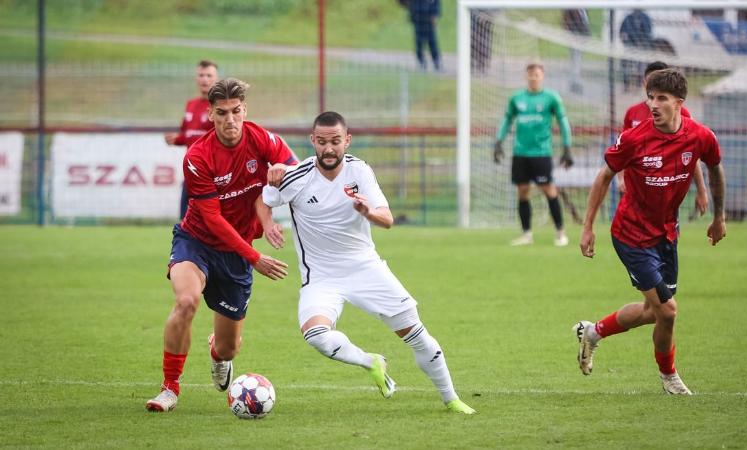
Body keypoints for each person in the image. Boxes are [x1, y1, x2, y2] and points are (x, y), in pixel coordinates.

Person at [257, 111, 476, 414]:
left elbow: (387, 219)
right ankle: (370, 361)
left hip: (365, 269)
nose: (329, 148)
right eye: (322, 142)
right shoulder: (294, 176)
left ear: (347, 140)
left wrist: (367, 212)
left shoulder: (360, 172)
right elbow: (264, 199)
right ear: (312, 142)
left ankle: (451, 398)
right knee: (316, 336)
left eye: (335, 141)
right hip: (321, 277)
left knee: (416, 334)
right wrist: (267, 223)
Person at [146, 78, 299, 412]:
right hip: (197, 241)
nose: (230, 119)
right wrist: (255, 256)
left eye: (236, 111)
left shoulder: (263, 139)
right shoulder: (198, 156)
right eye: (221, 113)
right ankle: (169, 388)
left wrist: (282, 170)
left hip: (236, 254)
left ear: (245, 110)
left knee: (230, 349)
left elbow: (297, 170)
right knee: (186, 302)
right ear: (211, 115)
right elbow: (213, 219)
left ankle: (217, 352)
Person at [574, 69, 727, 395]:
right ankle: (668, 376)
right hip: (631, 235)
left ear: (679, 103)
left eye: (661, 99)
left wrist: (719, 215)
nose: (653, 105)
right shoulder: (634, 138)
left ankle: (593, 332)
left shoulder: (700, 136)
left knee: (651, 312)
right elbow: (603, 177)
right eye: (651, 97)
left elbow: (714, 168)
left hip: (666, 235)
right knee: (668, 312)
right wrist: (587, 227)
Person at [494, 63, 574, 247]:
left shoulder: (551, 98)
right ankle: (526, 234)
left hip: (541, 152)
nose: (533, 78)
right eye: (530, 74)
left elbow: (562, 122)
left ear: (542, 76)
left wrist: (567, 147)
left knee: (548, 189)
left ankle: (560, 232)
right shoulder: (517, 98)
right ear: (526, 76)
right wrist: (499, 141)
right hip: (520, 152)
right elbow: (507, 119)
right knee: (522, 192)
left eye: (537, 75)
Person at [620, 61, 709, 218]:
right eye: (652, 81)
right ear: (644, 83)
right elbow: (622, 150)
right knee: (632, 234)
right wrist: (621, 178)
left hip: (668, 189)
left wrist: (701, 190)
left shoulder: (682, 115)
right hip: (637, 188)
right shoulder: (632, 113)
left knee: (668, 234)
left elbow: (690, 154)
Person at [165, 60, 219, 219]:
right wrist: (177, 139)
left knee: (212, 222)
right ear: (196, 79)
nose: (205, 79)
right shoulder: (191, 104)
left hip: (213, 173)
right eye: (201, 75)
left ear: (216, 79)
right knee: (185, 222)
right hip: (191, 171)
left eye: (209, 75)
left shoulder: (220, 106)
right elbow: (188, 133)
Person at [562, 9, 590, 94]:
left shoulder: (584, 9)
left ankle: (576, 81)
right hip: (574, 38)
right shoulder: (571, 8)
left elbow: (585, 22)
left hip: (582, 38)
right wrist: (573, 35)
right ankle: (574, 83)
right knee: (575, 61)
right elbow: (566, 22)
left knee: (578, 61)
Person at [408, 0, 441, 71]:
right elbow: (411, 4)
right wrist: (413, 15)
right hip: (418, 19)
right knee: (419, 42)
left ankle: (436, 61)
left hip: (429, 19)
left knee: (432, 42)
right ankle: (421, 62)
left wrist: (435, 15)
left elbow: (436, 3)